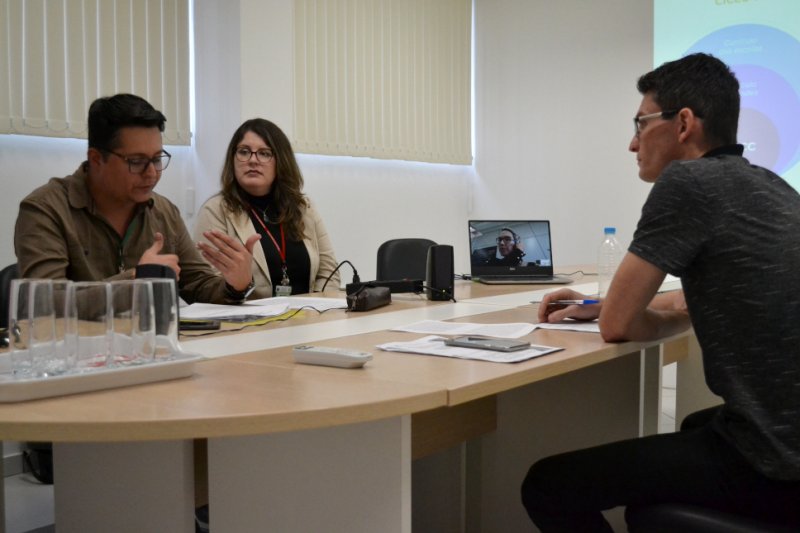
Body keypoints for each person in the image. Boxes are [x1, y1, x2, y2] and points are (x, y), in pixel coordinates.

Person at [522, 53, 800, 531]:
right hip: (790, 436)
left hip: (774, 462)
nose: (632, 143)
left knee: (547, 485)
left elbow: (618, 327)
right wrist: (606, 306)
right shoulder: (773, 187)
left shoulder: (689, 182)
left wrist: (619, 312)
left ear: (684, 124)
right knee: (694, 426)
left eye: (641, 123)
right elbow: (697, 300)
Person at [14, 93, 259, 304]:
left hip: (149, 342)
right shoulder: (46, 209)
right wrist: (135, 281)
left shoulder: (163, 211)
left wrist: (235, 284)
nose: (152, 173)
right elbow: (45, 302)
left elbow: (197, 284)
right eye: (137, 161)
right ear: (96, 159)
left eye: (157, 159)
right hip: (78, 344)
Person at [194, 118, 339, 299]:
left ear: (281, 161)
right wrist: (239, 285)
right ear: (232, 159)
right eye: (244, 152)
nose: (253, 160)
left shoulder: (303, 207)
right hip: (248, 316)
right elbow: (210, 286)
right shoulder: (216, 211)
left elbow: (329, 273)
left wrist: (316, 308)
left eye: (264, 153)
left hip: (309, 313)